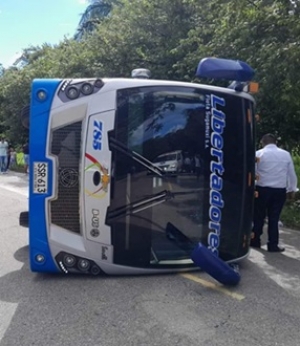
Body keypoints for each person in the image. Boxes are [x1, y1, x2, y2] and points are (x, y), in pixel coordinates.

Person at [251, 134, 298, 252]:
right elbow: (291, 174)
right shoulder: (285, 154)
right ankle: (272, 244)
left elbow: (254, 172)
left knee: (259, 216)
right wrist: (292, 189)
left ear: (263, 142)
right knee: (274, 217)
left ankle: (255, 240)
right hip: (279, 191)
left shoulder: (258, 154)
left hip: (262, 189)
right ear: (275, 142)